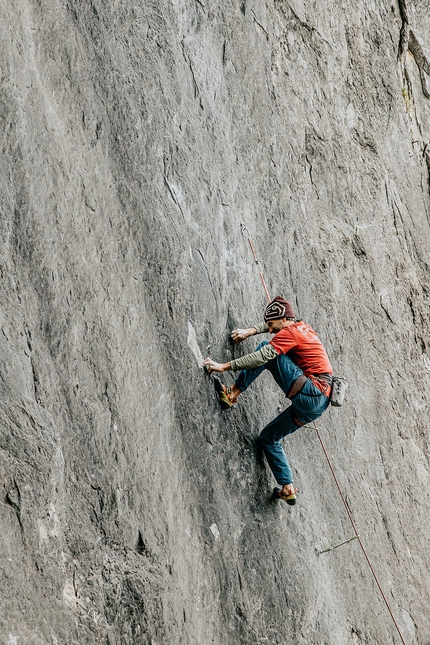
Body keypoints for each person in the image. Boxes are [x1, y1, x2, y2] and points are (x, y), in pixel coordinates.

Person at [202, 296, 333, 506]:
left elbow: (263, 355)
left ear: (282, 320)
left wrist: (224, 366)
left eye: (273, 325)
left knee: (266, 349)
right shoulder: (301, 328)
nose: (271, 330)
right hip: (318, 405)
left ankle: (233, 393)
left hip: (311, 391)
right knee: (268, 438)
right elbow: (274, 323)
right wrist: (251, 330)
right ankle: (287, 486)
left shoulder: (290, 332)